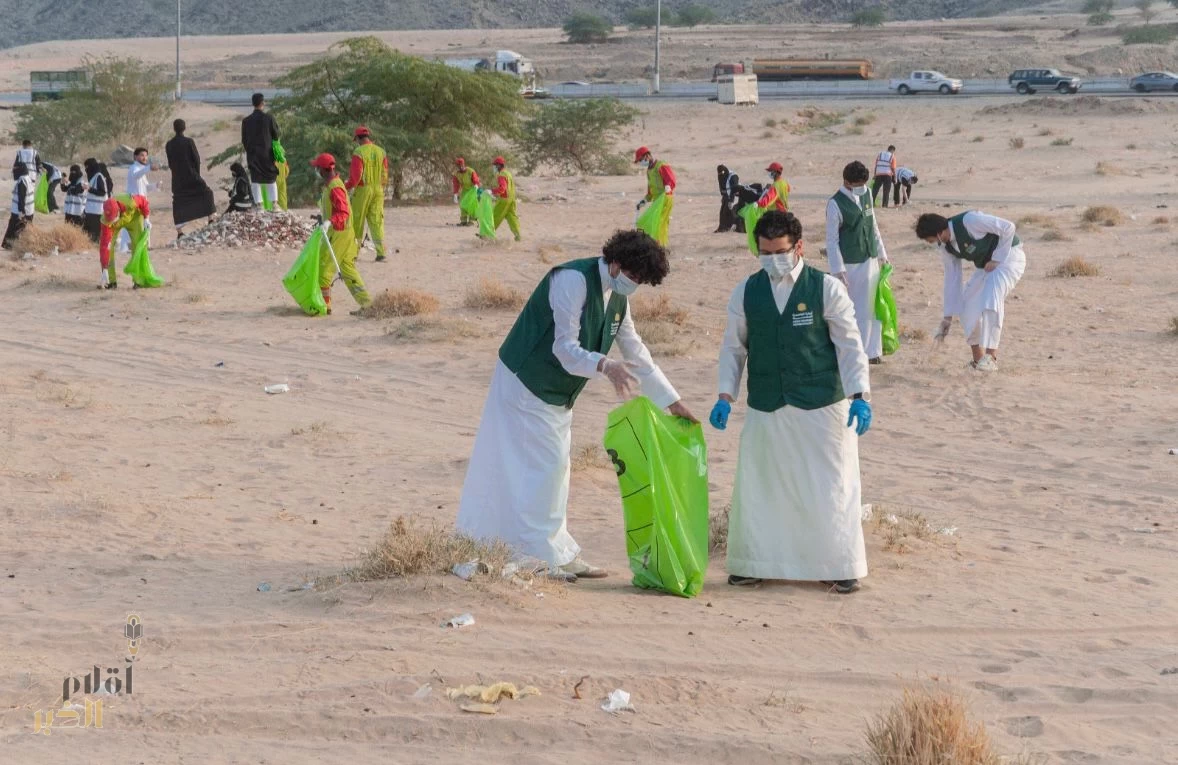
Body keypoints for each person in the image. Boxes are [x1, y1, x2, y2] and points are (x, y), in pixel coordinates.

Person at [456, 230, 696, 579]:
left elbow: (636, 352)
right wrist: (604, 365)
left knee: (555, 470)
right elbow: (564, 348)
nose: (635, 283)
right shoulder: (572, 280)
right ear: (615, 262)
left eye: (641, 280)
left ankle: (556, 551)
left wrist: (672, 402)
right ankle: (537, 558)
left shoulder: (617, 299)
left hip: (557, 393)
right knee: (540, 469)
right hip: (526, 382)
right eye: (633, 275)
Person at [709, 210, 872, 594]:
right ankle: (753, 564)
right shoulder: (746, 291)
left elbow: (850, 347)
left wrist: (860, 397)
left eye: (779, 251)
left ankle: (838, 565)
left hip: (823, 405)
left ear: (798, 247)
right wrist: (724, 396)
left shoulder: (827, 288)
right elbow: (734, 348)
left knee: (830, 485)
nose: (772, 260)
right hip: (767, 403)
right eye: (764, 252)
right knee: (761, 484)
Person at [916, 211, 1027, 372]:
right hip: (987, 267)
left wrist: (997, 258)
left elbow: (1008, 227)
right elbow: (952, 279)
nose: (936, 244)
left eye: (934, 240)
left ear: (940, 233)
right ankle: (978, 359)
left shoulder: (970, 221)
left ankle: (991, 357)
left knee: (992, 293)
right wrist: (947, 318)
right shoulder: (947, 247)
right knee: (966, 303)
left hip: (1010, 257)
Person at [826, 161, 891, 364]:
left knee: (873, 306)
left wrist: (882, 254)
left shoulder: (867, 194)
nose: (862, 186)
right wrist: (838, 270)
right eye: (857, 183)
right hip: (851, 264)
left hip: (870, 258)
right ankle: (857, 352)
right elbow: (832, 240)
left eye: (864, 182)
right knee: (856, 309)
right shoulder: (835, 204)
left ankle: (873, 351)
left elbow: (873, 225)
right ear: (846, 181)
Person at [309, 153, 371, 315]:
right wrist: (324, 219)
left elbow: (342, 211)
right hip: (346, 232)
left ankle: (325, 306)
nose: (316, 171)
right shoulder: (333, 184)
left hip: (339, 233)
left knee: (324, 271)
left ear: (322, 170)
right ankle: (367, 304)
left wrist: (330, 222)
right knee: (347, 269)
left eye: (317, 168)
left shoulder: (335, 187)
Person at [165, 119, 216, 240]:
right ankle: (211, 219)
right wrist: (196, 174)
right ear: (184, 128)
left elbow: (170, 162)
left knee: (178, 201)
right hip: (191, 175)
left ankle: (180, 231)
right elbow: (196, 159)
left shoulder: (169, 144)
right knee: (207, 193)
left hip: (177, 178)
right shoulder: (189, 141)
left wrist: (176, 172)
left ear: (174, 128)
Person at [345, 126, 389, 262]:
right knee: (377, 221)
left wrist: (346, 186)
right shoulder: (381, 151)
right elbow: (385, 174)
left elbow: (356, 176)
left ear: (358, 138)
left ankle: (354, 253)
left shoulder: (358, 152)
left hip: (363, 190)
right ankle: (381, 253)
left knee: (357, 221)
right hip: (378, 190)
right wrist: (379, 187)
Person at [97, 194, 151, 290]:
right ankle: (111, 281)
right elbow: (105, 246)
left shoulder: (130, 202)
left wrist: (146, 217)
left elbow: (143, 201)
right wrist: (104, 268)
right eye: (110, 220)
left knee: (138, 246)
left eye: (113, 219)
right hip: (117, 225)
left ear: (118, 212)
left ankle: (138, 281)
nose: (111, 221)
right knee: (110, 249)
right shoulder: (106, 221)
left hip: (133, 217)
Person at [241, 93, 280, 210]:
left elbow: (244, 139)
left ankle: (258, 204)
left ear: (253, 104)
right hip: (267, 154)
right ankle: (274, 204)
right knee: (271, 177)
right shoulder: (269, 118)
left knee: (255, 178)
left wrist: (250, 150)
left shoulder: (246, 121)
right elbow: (276, 135)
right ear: (263, 103)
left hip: (253, 154)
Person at [633, 146, 675, 246]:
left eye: (641, 159)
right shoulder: (649, 171)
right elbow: (650, 192)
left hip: (665, 198)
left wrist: (668, 186)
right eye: (639, 161)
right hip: (657, 201)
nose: (641, 162)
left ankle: (660, 246)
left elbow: (671, 179)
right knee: (647, 222)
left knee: (659, 223)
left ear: (647, 156)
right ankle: (657, 245)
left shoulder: (661, 165)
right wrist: (643, 201)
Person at [121, 148, 157, 254]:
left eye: (146, 155)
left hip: (142, 203)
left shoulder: (142, 170)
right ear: (135, 157)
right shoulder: (133, 168)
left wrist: (156, 186)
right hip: (134, 202)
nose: (145, 158)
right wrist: (149, 167)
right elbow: (137, 175)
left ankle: (144, 245)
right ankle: (129, 246)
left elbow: (146, 187)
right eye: (142, 155)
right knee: (134, 225)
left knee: (145, 224)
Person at [3, 163, 35, 250]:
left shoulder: (22, 181)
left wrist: (21, 211)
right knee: (24, 228)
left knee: (15, 228)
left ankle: (10, 246)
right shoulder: (27, 178)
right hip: (29, 209)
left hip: (20, 210)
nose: (14, 171)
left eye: (16, 169)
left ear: (20, 170)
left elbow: (22, 196)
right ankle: (22, 245)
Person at [489, 156, 521, 242]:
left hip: (504, 200)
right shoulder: (508, 173)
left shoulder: (501, 175)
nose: (494, 167)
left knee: (494, 216)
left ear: (499, 165)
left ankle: (487, 234)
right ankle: (518, 235)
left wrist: (492, 191)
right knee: (512, 217)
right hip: (511, 199)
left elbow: (502, 188)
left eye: (495, 165)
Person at [82, 158, 110, 243]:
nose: (86, 169)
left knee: (95, 234)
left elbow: (103, 192)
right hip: (91, 210)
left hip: (97, 211)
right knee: (87, 232)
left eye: (87, 166)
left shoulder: (99, 176)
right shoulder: (93, 177)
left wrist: (89, 189)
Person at [451, 158, 480, 226]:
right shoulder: (456, 174)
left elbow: (476, 180)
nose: (461, 167)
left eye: (461, 165)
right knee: (462, 204)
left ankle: (471, 221)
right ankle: (463, 220)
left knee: (471, 205)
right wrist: (455, 193)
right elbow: (456, 184)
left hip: (472, 190)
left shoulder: (470, 171)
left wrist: (476, 185)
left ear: (464, 164)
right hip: (464, 190)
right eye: (459, 165)